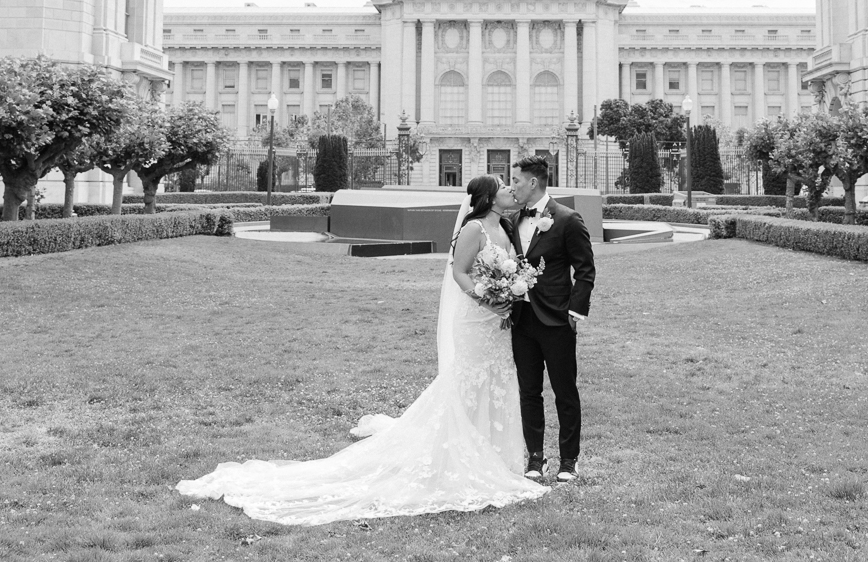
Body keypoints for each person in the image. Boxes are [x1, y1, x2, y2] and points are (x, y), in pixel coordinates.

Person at [175, 174, 547, 524]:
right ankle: (458, 453)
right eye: (502, 186)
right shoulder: (473, 228)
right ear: (486, 197)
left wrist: (509, 291)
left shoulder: (507, 226)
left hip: (498, 324)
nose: (509, 190)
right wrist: (485, 298)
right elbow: (460, 273)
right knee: (468, 380)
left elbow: (510, 268)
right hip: (475, 317)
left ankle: (496, 453)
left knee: (498, 378)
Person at [508, 155, 596, 484]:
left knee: (564, 391)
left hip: (558, 319)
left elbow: (585, 270)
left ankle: (569, 461)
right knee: (529, 391)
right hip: (522, 318)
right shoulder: (513, 220)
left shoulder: (568, 219)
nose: (512, 186)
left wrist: (575, 311)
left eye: (516, 180)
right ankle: (535, 458)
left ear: (533, 182)